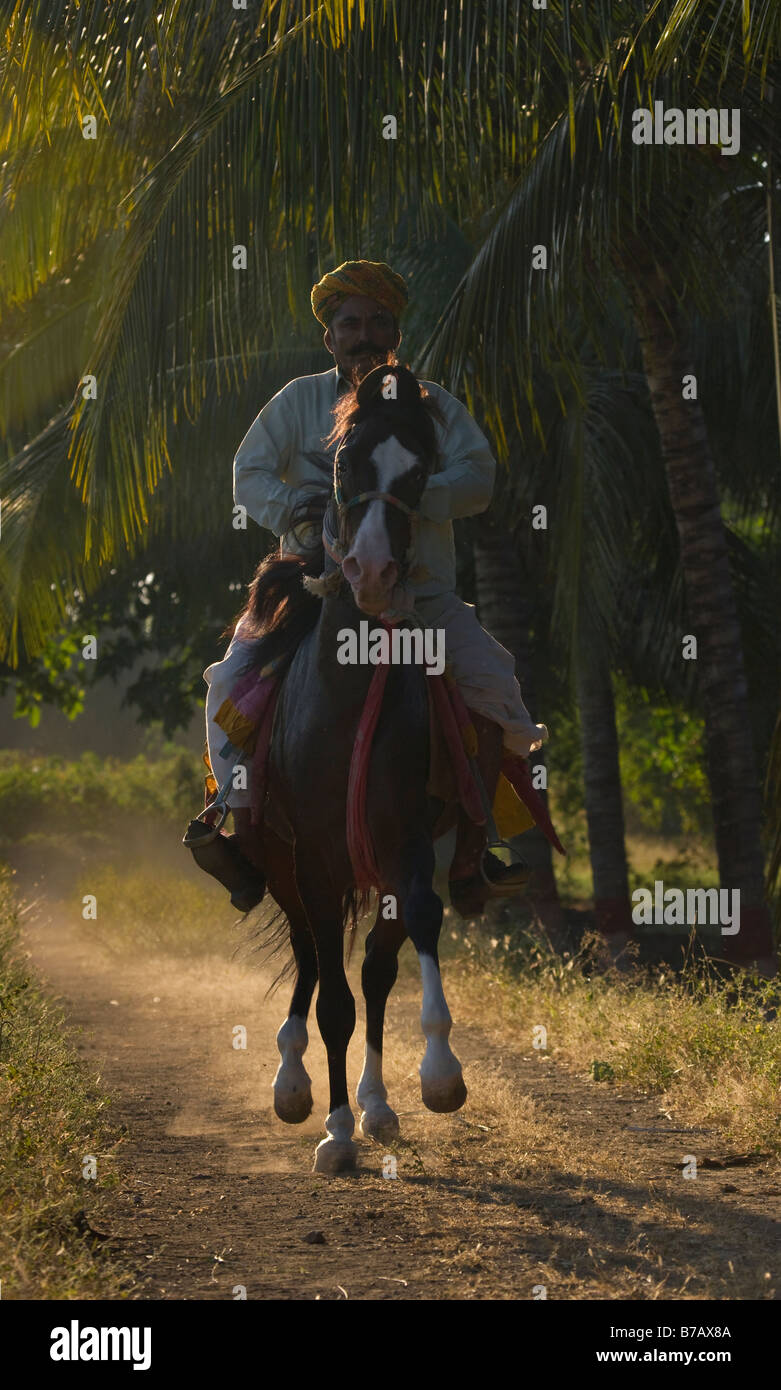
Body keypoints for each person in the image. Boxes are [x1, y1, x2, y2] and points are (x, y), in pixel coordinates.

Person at [191, 259, 547, 916]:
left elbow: (477, 479)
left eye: (378, 321)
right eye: (349, 323)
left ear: (395, 333)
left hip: (422, 598)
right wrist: (300, 507)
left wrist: (409, 499)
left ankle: (474, 852)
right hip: (313, 595)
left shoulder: (434, 405)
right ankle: (241, 835)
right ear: (329, 337)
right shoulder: (296, 400)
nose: (364, 334)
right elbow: (247, 475)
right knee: (228, 683)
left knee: (495, 687)